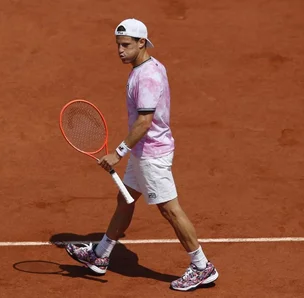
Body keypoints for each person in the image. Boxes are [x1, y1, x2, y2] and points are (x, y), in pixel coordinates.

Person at [65, 18, 219, 291]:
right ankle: (100, 255)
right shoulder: (148, 67)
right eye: (118, 45)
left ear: (141, 43)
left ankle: (201, 266)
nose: (120, 50)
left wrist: (118, 152)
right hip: (143, 152)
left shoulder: (147, 76)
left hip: (151, 155)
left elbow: (144, 122)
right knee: (124, 200)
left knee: (170, 210)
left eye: (126, 45)